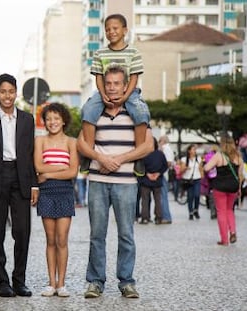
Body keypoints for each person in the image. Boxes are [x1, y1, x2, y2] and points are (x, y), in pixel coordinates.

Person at [77, 65, 153, 299]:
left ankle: (127, 281)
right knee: (97, 234)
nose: (112, 88)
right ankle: (95, 282)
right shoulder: (94, 111)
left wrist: (119, 159)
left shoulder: (135, 112)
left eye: (116, 83)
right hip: (98, 181)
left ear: (125, 85)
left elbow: (148, 145)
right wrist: (101, 159)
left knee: (126, 234)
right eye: (108, 83)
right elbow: (81, 143)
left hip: (126, 182)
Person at [0, 73, 39, 298]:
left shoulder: (27, 119)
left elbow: (31, 153)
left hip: (21, 177)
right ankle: (2, 283)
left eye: (11, 91)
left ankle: (19, 281)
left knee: (22, 232)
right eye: (3, 91)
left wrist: (35, 184)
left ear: (16, 93)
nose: (7, 96)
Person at [80, 14, 150, 177]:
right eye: (107, 29)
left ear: (125, 30)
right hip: (105, 91)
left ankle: (138, 156)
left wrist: (126, 96)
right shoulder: (100, 53)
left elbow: (134, 76)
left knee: (141, 112)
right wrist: (103, 94)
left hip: (129, 91)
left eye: (115, 28)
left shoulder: (133, 52)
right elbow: (98, 77)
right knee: (87, 110)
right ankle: (88, 154)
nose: (111, 32)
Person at [34, 103, 79, 297]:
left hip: (65, 192)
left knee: (62, 240)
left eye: (56, 118)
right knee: (50, 240)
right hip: (46, 193)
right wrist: (61, 168)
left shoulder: (71, 142)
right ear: (45, 122)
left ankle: (62, 284)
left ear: (63, 120)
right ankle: (51, 283)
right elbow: (37, 166)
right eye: (49, 118)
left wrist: (49, 173)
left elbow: (73, 171)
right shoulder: (40, 141)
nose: (53, 122)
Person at [204, 136, 243, 246]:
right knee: (230, 210)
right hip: (233, 187)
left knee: (221, 211)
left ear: (222, 144)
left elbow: (207, 168)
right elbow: (240, 175)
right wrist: (239, 188)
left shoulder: (219, 156)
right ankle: (233, 231)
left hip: (220, 186)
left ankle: (224, 239)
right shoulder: (238, 157)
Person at [139, 137, 168, 224]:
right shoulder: (160, 154)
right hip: (157, 180)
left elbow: (140, 166)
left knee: (145, 200)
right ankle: (158, 218)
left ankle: (145, 218)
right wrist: (158, 173)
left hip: (145, 180)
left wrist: (147, 174)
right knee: (157, 200)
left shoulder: (143, 154)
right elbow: (165, 166)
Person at [180, 144, 203, 220]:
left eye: (195, 150)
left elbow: (201, 169)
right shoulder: (184, 159)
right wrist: (185, 168)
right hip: (188, 180)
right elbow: (181, 170)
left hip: (197, 179)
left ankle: (196, 209)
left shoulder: (198, 159)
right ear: (189, 151)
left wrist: (202, 176)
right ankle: (190, 212)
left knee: (197, 195)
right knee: (190, 197)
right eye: (193, 149)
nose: (194, 151)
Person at [158, 135, 174, 224]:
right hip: (164, 175)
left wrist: (159, 171)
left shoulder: (165, 148)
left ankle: (166, 216)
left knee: (163, 196)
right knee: (162, 196)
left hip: (163, 175)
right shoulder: (169, 149)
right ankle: (164, 215)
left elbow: (168, 162)